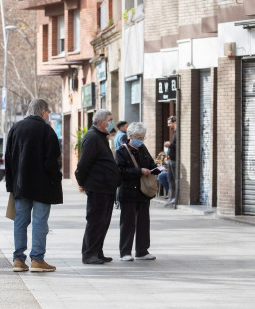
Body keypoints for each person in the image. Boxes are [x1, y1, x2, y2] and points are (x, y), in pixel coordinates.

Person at [5, 99, 62, 273]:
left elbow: (8, 159)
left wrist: (11, 185)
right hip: (43, 186)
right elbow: (52, 162)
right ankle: (37, 260)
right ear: (43, 112)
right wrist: (56, 179)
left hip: (20, 185)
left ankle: (18, 260)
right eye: (48, 112)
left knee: (20, 221)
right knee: (39, 222)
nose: (48, 116)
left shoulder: (15, 128)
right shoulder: (47, 131)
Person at [76, 109, 121, 264]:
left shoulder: (101, 137)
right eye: (110, 120)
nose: (112, 123)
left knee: (103, 221)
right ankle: (89, 254)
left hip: (107, 188)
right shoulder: (92, 137)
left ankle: (97, 251)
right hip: (97, 187)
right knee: (95, 221)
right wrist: (81, 182)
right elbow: (83, 164)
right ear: (101, 122)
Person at [115, 122, 158, 261]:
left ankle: (142, 251)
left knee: (144, 222)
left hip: (143, 193)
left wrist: (156, 168)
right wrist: (139, 171)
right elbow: (120, 171)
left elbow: (151, 163)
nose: (141, 140)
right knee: (128, 223)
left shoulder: (143, 148)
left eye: (143, 137)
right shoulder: (122, 151)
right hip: (128, 192)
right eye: (139, 137)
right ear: (131, 136)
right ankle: (125, 252)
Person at [163, 116, 178, 205]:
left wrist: (170, 145)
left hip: (174, 160)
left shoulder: (178, 133)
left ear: (174, 122)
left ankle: (174, 197)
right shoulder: (175, 133)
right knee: (170, 179)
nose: (168, 125)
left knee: (174, 179)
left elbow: (178, 147)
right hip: (171, 160)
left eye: (169, 123)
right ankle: (172, 197)